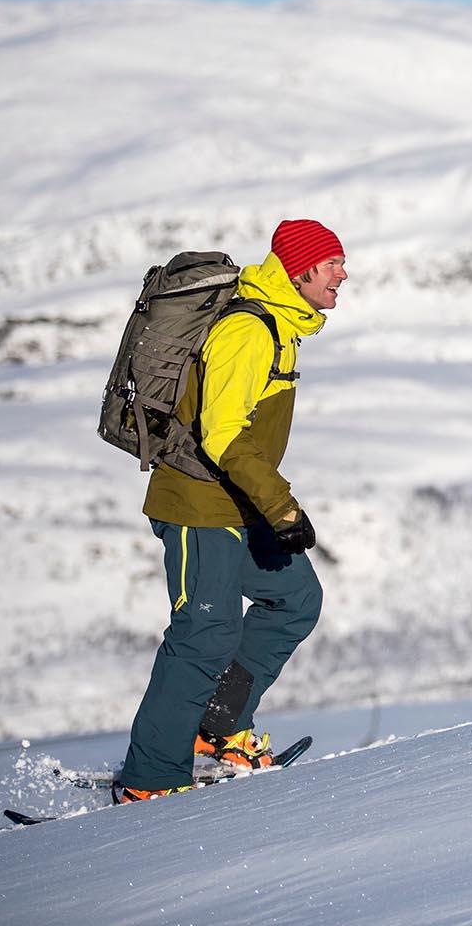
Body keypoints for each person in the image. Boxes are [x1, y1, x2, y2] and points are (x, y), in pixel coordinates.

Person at [113, 220, 347, 802]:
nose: (344, 274)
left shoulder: (281, 327)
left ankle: (217, 727)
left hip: (237, 503)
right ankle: (151, 779)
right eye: (334, 263)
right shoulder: (248, 330)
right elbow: (223, 436)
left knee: (295, 600)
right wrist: (283, 508)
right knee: (204, 632)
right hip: (197, 503)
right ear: (303, 270)